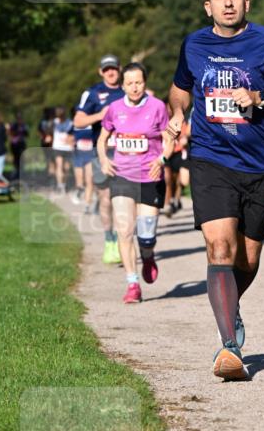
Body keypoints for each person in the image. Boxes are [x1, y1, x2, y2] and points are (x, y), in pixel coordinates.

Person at [167, 0, 264, 381]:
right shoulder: (194, 44)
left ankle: (230, 306)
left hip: (258, 164)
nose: (228, 2)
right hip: (210, 158)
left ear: (246, 3)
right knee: (219, 248)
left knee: (247, 258)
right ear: (208, 6)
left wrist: (260, 96)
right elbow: (180, 88)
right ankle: (229, 348)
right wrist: (176, 113)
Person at [96, 62, 173, 304]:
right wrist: (103, 160)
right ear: (123, 85)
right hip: (122, 175)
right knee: (125, 230)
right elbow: (103, 139)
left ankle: (148, 254)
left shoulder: (158, 107)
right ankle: (132, 284)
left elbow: (169, 138)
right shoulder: (114, 108)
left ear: (145, 82)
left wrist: (161, 159)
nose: (134, 87)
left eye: (138, 82)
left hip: (150, 176)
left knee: (146, 234)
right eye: (129, 83)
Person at [73, 55, 124, 264]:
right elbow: (78, 120)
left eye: (113, 69)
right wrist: (100, 115)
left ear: (119, 70)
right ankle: (110, 240)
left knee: (125, 198)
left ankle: (125, 240)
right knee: (105, 199)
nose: (110, 73)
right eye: (106, 70)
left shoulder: (128, 90)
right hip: (101, 152)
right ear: (100, 72)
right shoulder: (93, 93)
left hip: (126, 153)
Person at [162, 114, 190, 217]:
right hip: (166, 153)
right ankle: (168, 204)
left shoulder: (183, 119)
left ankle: (177, 199)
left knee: (181, 180)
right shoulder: (162, 119)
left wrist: (186, 138)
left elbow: (188, 131)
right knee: (168, 178)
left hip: (180, 152)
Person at [51, 106, 75, 194]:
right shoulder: (54, 122)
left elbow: (73, 135)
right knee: (59, 166)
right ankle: (60, 185)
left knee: (66, 168)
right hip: (58, 147)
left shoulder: (70, 122)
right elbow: (48, 129)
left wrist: (71, 142)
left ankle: (63, 184)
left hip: (67, 148)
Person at [8, 113, 29, 178]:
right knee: (16, 160)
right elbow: (10, 134)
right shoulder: (14, 125)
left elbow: (27, 134)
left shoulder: (24, 126)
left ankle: (21, 172)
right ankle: (16, 172)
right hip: (15, 146)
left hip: (22, 145)